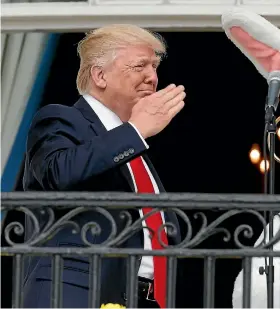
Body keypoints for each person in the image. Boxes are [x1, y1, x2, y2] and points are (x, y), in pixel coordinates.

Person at [21, 24, 185, 308]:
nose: (152, 77)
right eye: (139, 66)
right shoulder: (61, 118)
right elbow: (58, 172)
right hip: (76, 293)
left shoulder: (131, 147)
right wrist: (135, 131)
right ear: (100, 75)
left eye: (155, 67)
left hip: (142, 298)